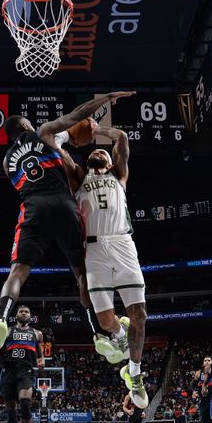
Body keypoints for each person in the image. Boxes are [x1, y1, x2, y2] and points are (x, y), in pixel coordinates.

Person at [0, 92, 136, 371]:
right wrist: (106, 99)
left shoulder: (6, 162)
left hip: (33, 207)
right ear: (26, 127)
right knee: (80, 275)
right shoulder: (45, 132)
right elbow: (78, 114)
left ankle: (1, 318)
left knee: (18, 271)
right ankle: (98, 333)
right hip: (63, 205)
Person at [56, 121, 149, 406]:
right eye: (94, 150)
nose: (98, 151)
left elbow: (121, 136)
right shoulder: (78, 177)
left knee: (140, 314)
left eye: (103, 152)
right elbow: (55, 146)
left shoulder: (120, 174)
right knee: (105, 321)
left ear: (110, 162)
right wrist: (67, 134)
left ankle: (134, 373)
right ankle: (120, 335)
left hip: (122, 244)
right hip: (94, 249)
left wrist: (97, 131)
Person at [0, 305, 44, 423]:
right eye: (21, 311)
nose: (24, 313)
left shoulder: (37, 334)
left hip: (26, 371)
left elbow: (40, 353)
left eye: (27, 312)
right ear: (16, 315)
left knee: (25, 403)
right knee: (11, 411)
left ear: (30, 316)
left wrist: (41, 359)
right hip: (9, 371)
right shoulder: (7, 331)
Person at [194, 357, 212, 423]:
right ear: (203, 363)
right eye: (205, 360)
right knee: (205, 422)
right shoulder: (198, 373)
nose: (207, 362)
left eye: (209, 360)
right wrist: (193, 392)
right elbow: (193, 385)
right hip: (203, 400)